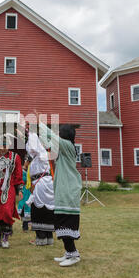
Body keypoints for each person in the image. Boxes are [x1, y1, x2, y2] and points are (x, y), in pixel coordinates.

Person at [35, 111, 82, 267]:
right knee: (61, 222)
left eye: (60, 133)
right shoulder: (61, 149)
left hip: (69, 190)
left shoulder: (68, 146)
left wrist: (40, 122)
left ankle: (73, 255)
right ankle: (69, 253)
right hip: (63, 190)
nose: (58, 135)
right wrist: (37, 130)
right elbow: (47, 143)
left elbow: (53, 138)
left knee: (66, 223)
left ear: (65, 136)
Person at [23, 126, 55, 246]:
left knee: (38, 210)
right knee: (48, 210)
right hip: (47, 183)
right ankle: (48, 238)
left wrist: (30, 132)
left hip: (41, 184)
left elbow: (32, 147)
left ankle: (41, 238)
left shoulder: (40, 152)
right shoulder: (44, 154)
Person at [17, 156, 32, 232]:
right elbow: (20, 181)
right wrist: (20, 191)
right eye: (28, 162)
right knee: (24, 206)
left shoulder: (32, 169)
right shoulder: (22, 171)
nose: (29, 163)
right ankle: (25, 226)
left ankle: (33, 225)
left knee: (33, 207)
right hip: (25, 190)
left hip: (32, 190)